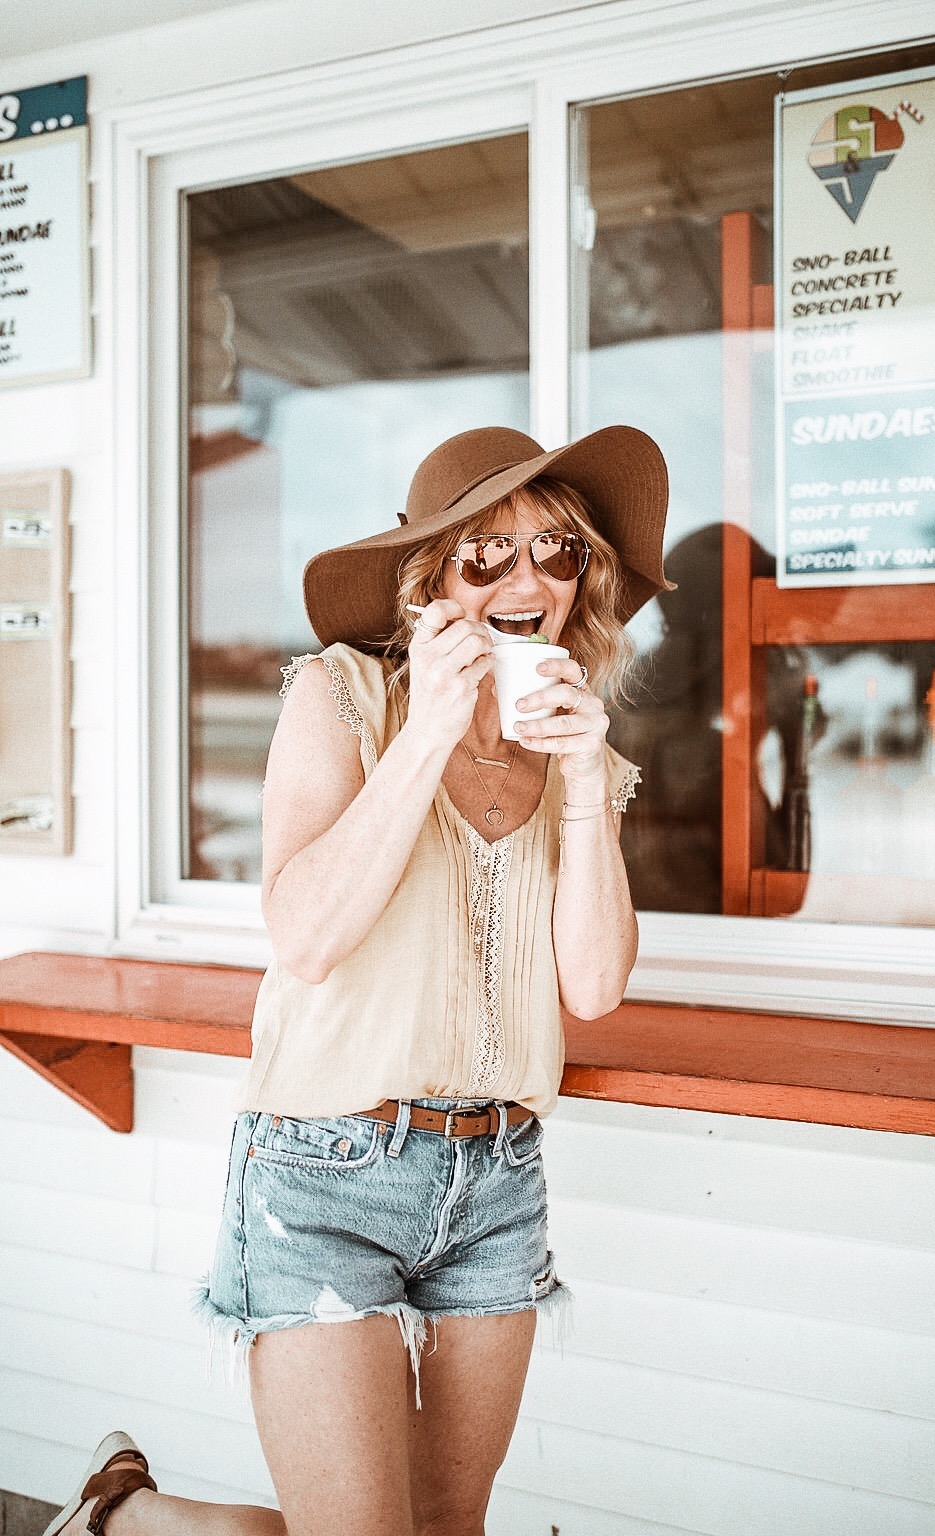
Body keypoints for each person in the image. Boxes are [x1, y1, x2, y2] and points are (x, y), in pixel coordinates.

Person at [43, 424, 672, 1536]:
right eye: (487, 553)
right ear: (432, 582)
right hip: (324, 1167)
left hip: (497, 1182)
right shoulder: (339, 696)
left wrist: (582, 774)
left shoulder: (587, 754)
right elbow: (308, 934)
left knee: (443, 1528)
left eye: (559, 552)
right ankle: (129, 1522)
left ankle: (125, 1520)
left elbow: (593, 985)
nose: (528, 579)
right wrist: (427, 730)